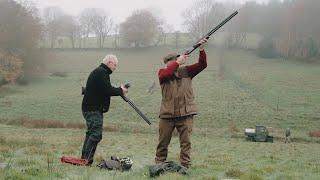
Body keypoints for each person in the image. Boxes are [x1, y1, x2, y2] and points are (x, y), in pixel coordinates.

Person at [155, 39, 208, 168]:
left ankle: (185, 166)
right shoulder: (163, 73)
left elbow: (202, 65)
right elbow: (167, 73)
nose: (175, 63)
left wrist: (201, 49)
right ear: (169, 63)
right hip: (167, 115)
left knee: (186, 143)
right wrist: (177, 63)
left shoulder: (187, 71)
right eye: (173, 61)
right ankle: (159, 165)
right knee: (163, 143)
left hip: (186, 113)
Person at [81, 54, 128, 165]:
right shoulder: (101, 72)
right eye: (115, 65)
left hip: (91, 108)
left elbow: (104, 89)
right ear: (109, 62)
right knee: (96, 134)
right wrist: (120, 91)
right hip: (93, 109)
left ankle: (84, 159)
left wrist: (118, 90)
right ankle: (86, 160)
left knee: (91, 133)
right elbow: (107, 90)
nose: (115, 67)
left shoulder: (100, 72)